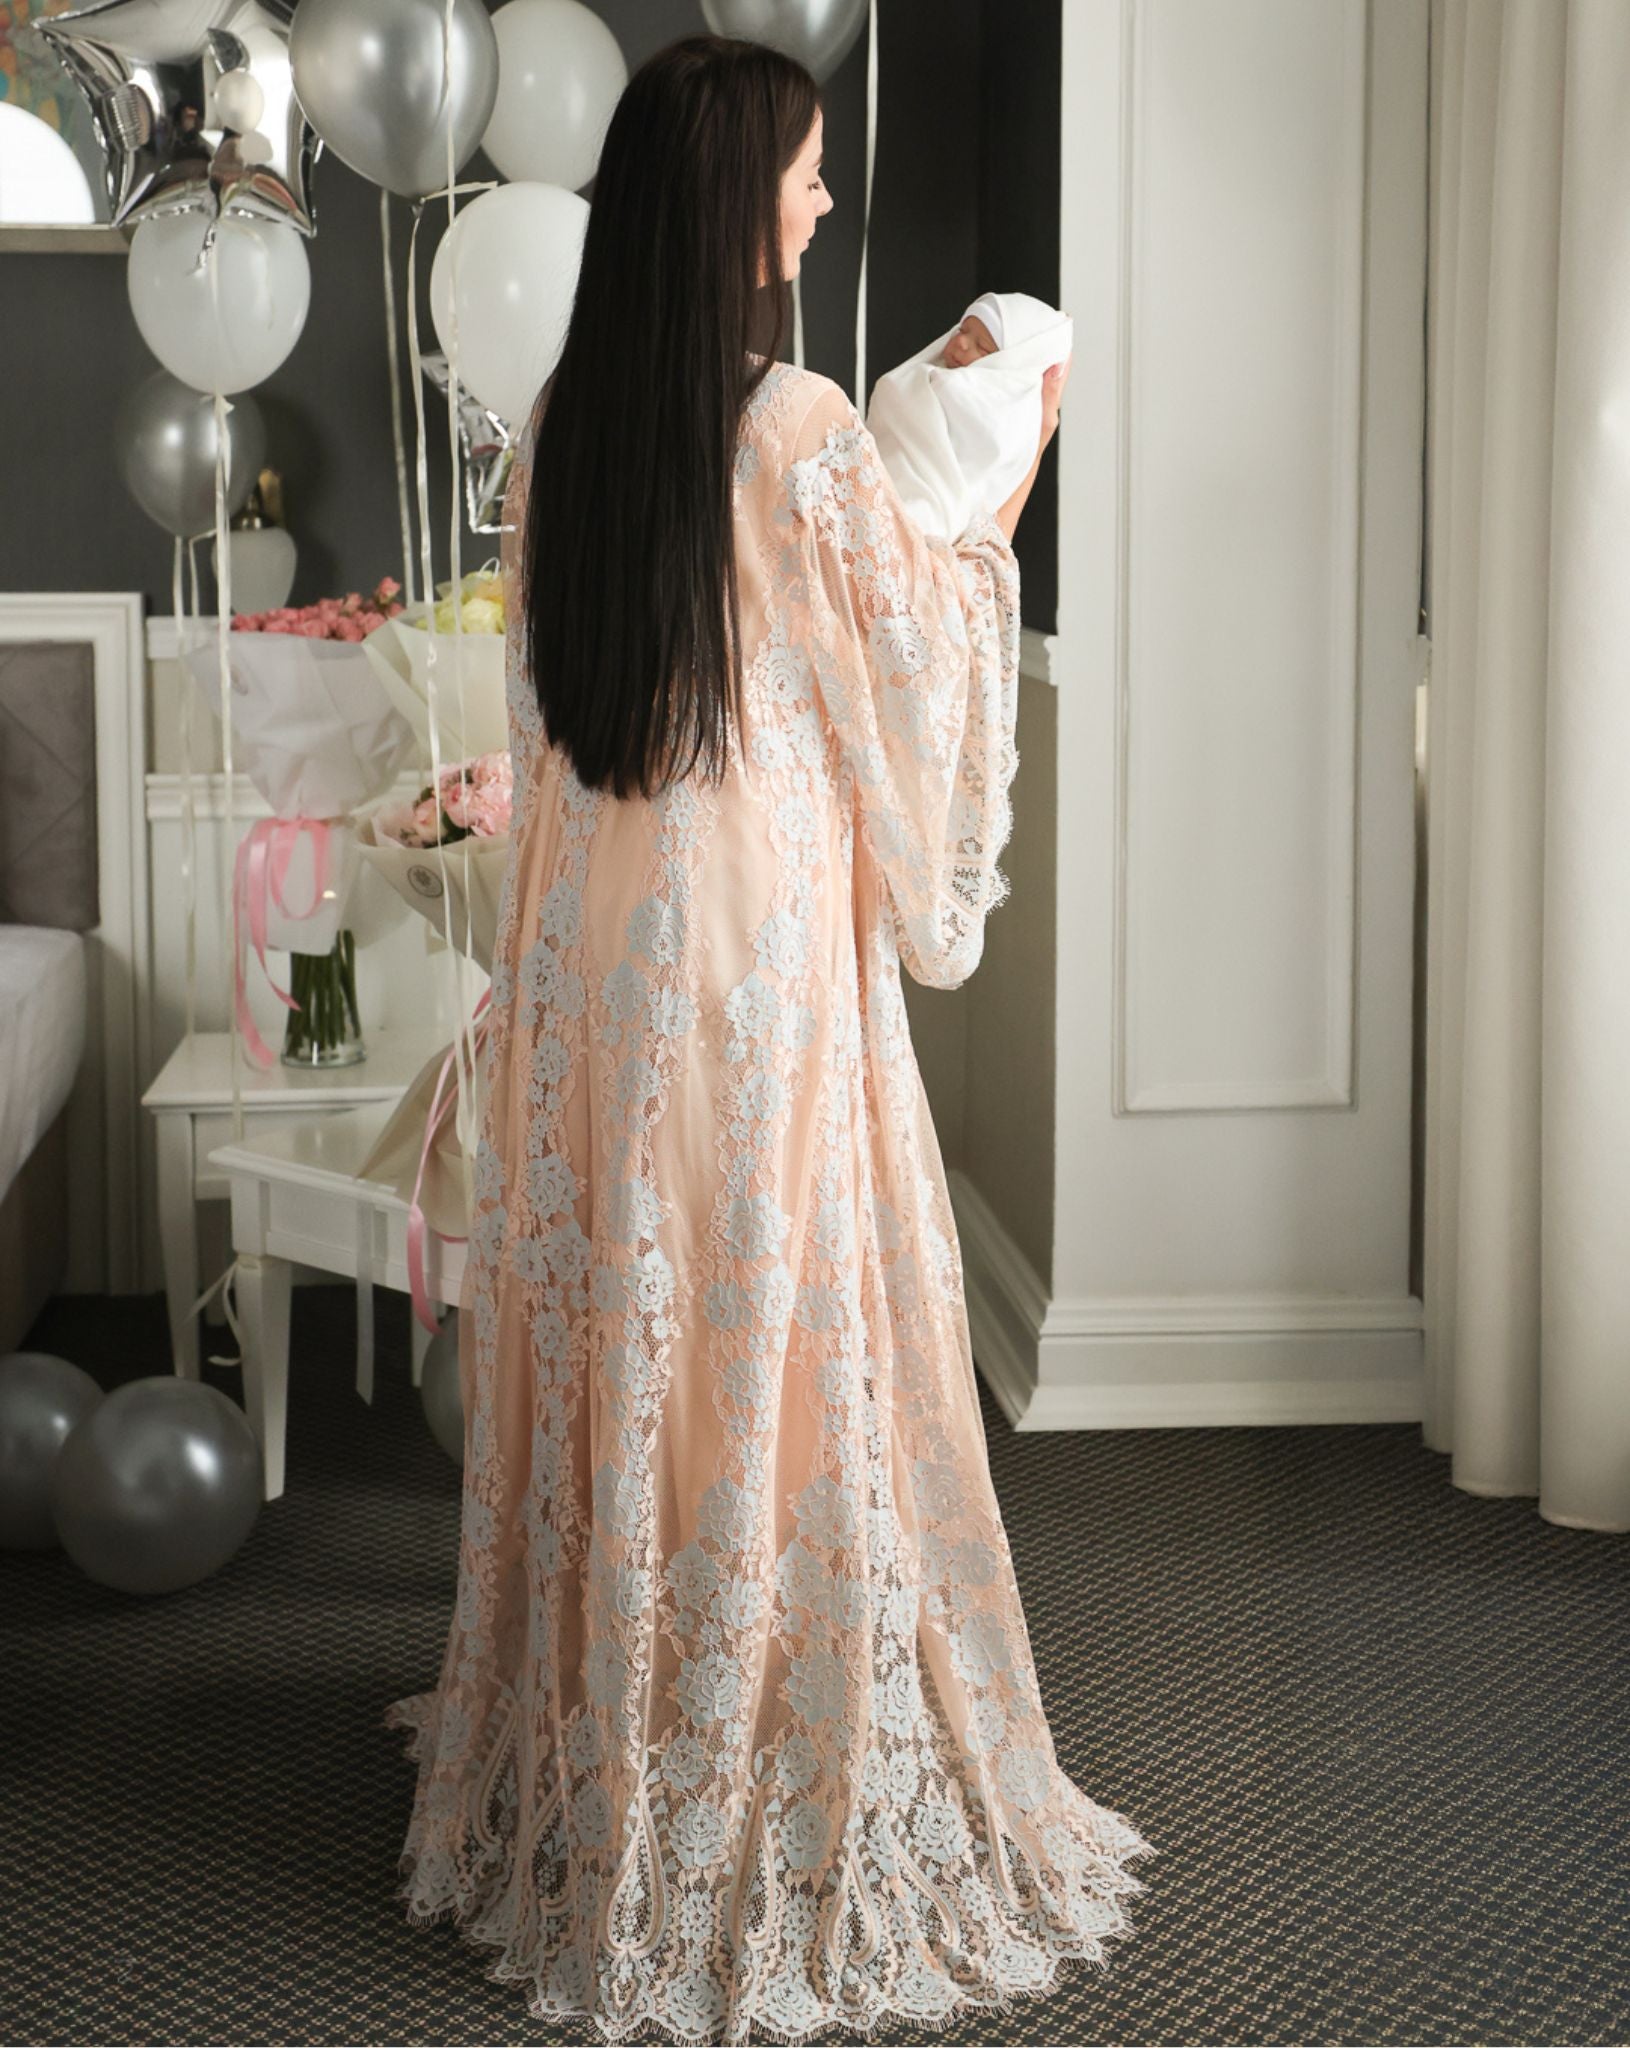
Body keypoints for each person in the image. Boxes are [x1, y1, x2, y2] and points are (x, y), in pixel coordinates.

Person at [384, 32, 1154, 2046]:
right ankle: (739, 1759)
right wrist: (1009, 489)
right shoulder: (796, 420)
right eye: (803, 177)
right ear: (739, 201)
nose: (821, 206)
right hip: (753, 962)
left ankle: (614, 1718)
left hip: (601, 951)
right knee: (768, 1322)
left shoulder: (566, 416)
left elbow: (569, 711)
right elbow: (909, 654)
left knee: (647, 1324)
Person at [865, 289, 1076, 549]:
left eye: (984, 347)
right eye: (962, 331)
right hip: (883, 495)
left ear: (1008, 368)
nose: (963, 343)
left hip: (928, 523)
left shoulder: (1004, 415)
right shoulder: (924, 376)